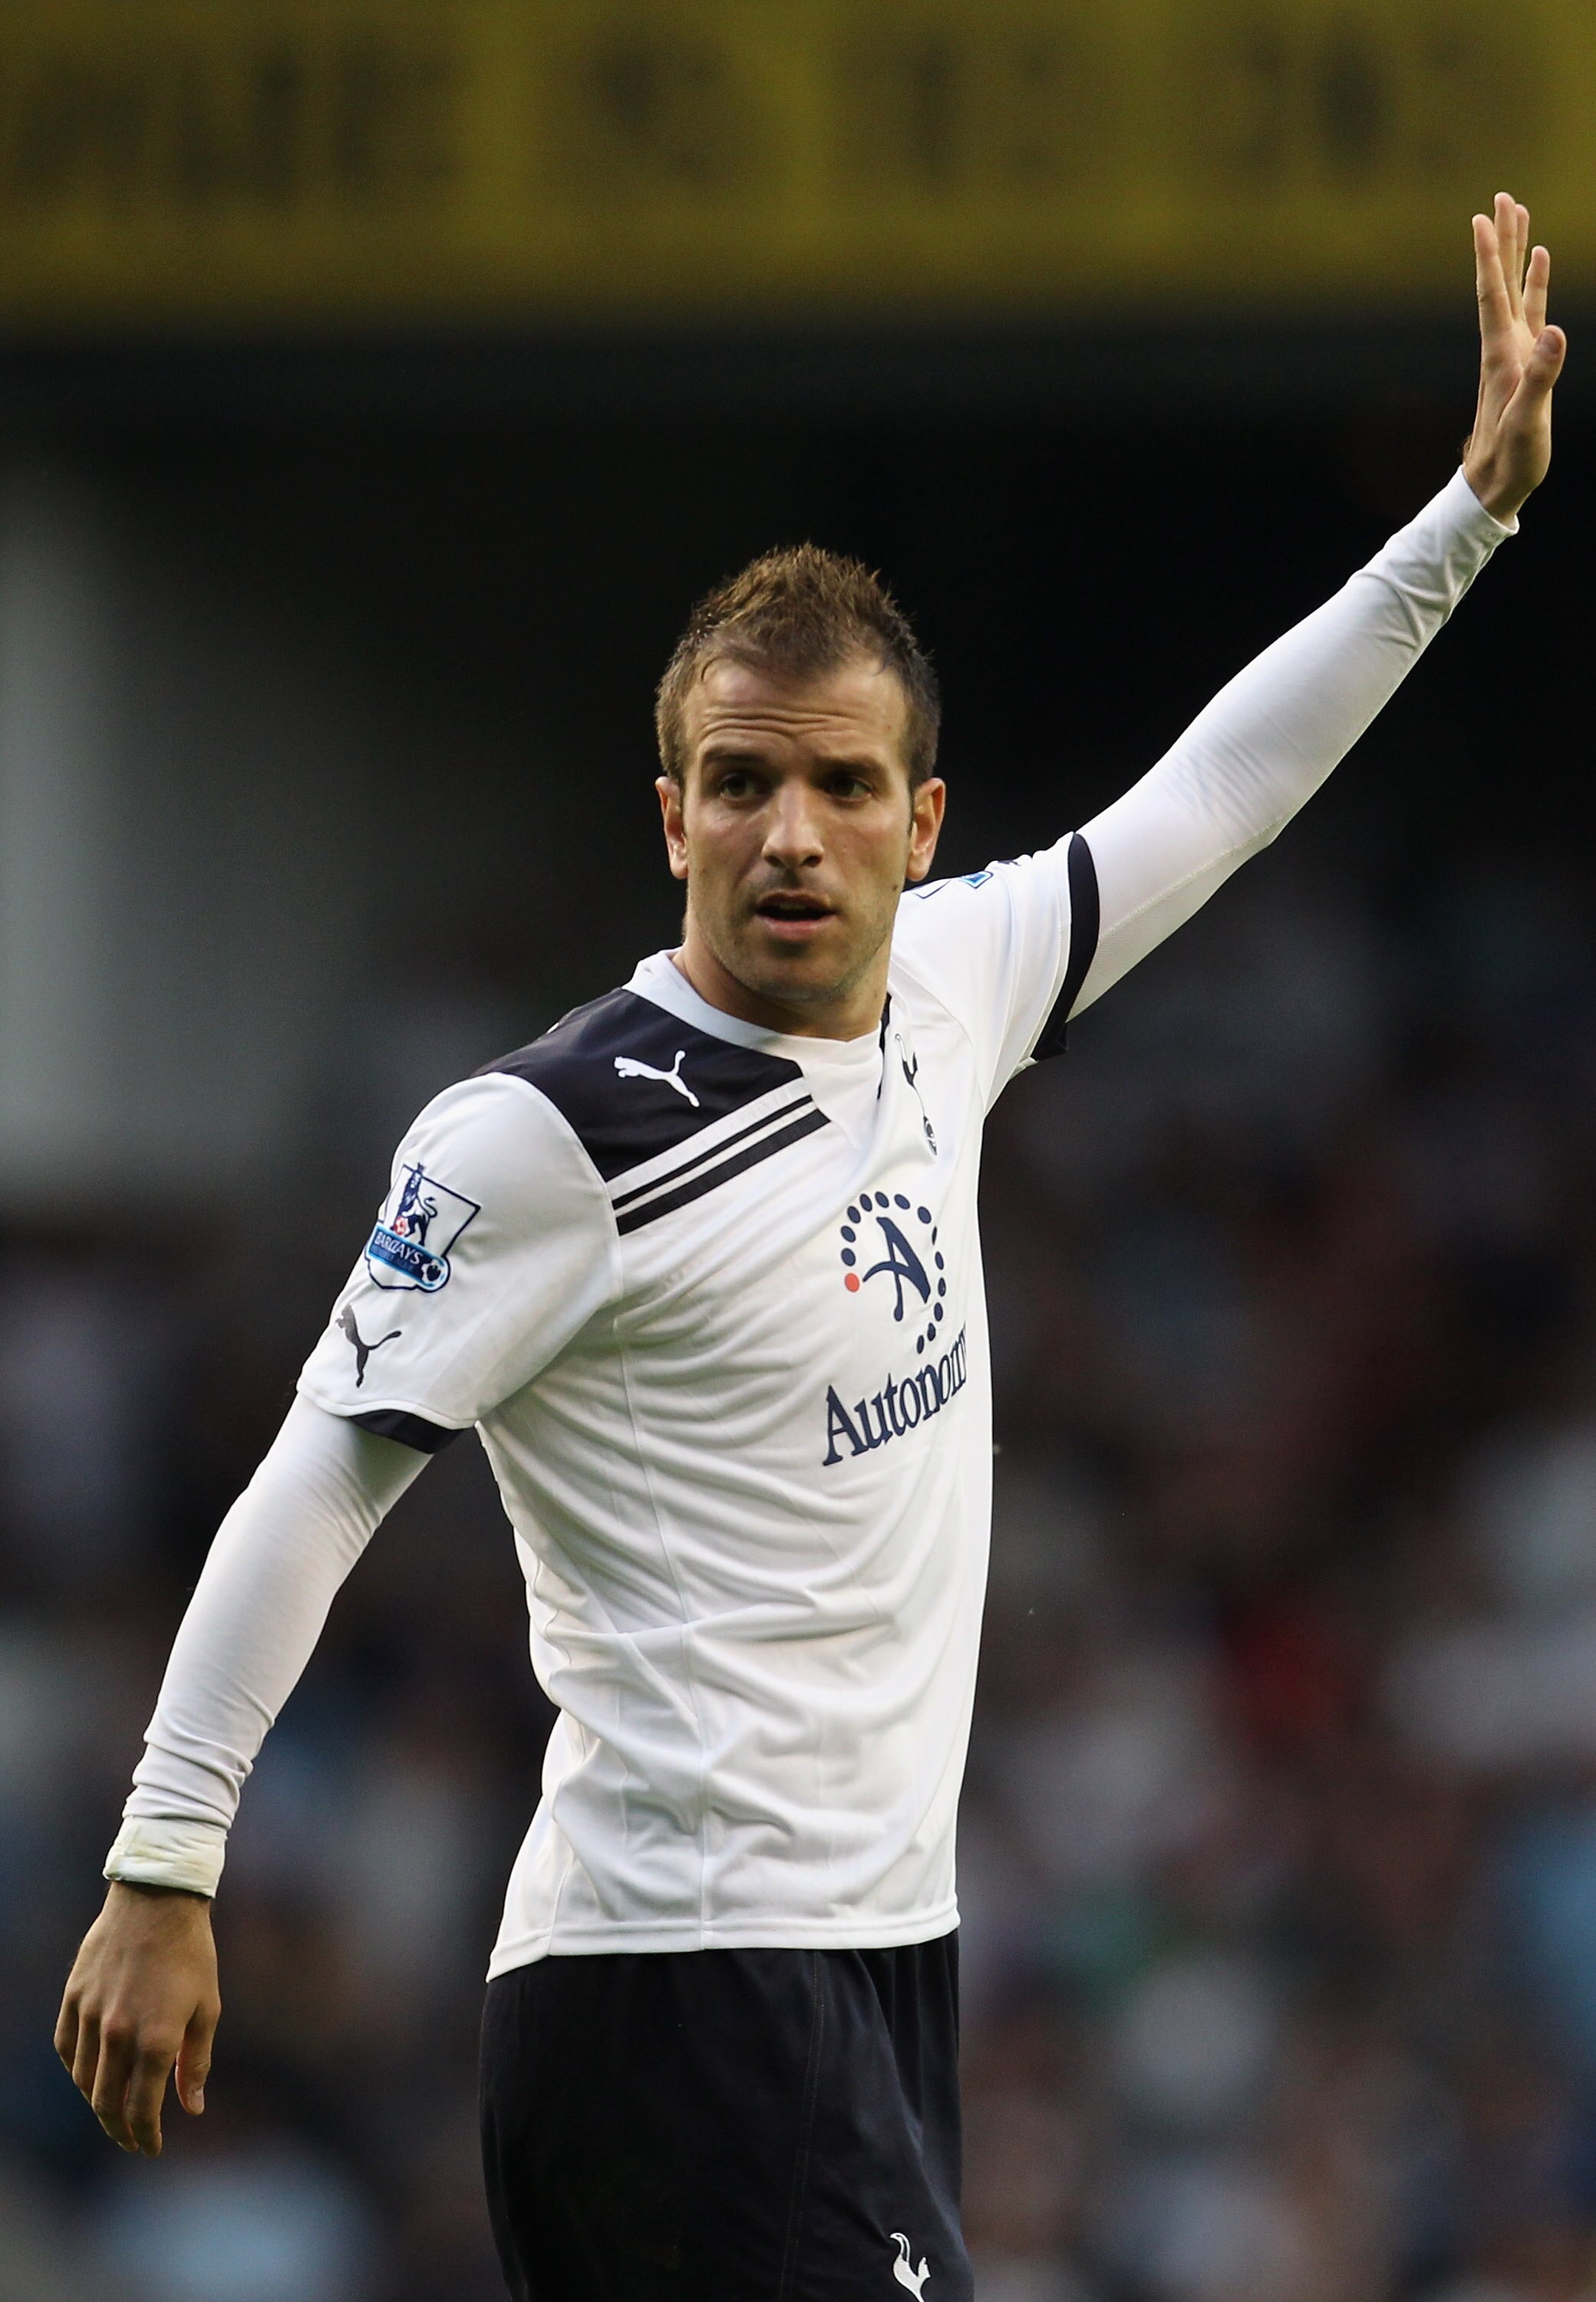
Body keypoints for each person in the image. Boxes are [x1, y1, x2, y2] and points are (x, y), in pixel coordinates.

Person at [57, 199, 1565, 2300]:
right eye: (742, 782)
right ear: (669, 813)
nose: (793, 833)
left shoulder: (955, 983)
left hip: (868, 1967)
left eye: (843, 787)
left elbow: (1217, 793)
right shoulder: (543, 1136)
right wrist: (165, 1858)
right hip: (683, 1989)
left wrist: (1468, 519)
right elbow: (320, 1478)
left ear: (919, 821)